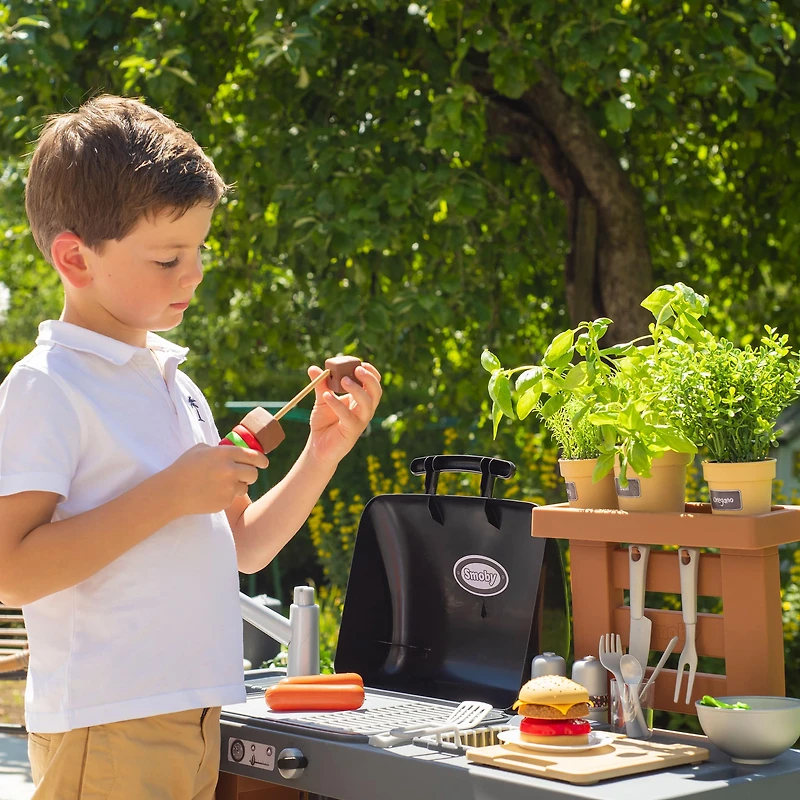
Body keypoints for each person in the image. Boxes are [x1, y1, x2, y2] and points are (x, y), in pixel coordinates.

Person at [0, 95, 382, 799]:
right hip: (107, 725)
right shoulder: (47, 386)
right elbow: (11, 572)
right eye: (168, 256)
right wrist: (171, 493)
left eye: (200, 249)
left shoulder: (176, 385)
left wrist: (321, 453)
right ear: (74, 257)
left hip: (195, 714)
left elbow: (241, 547)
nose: (195, 273)